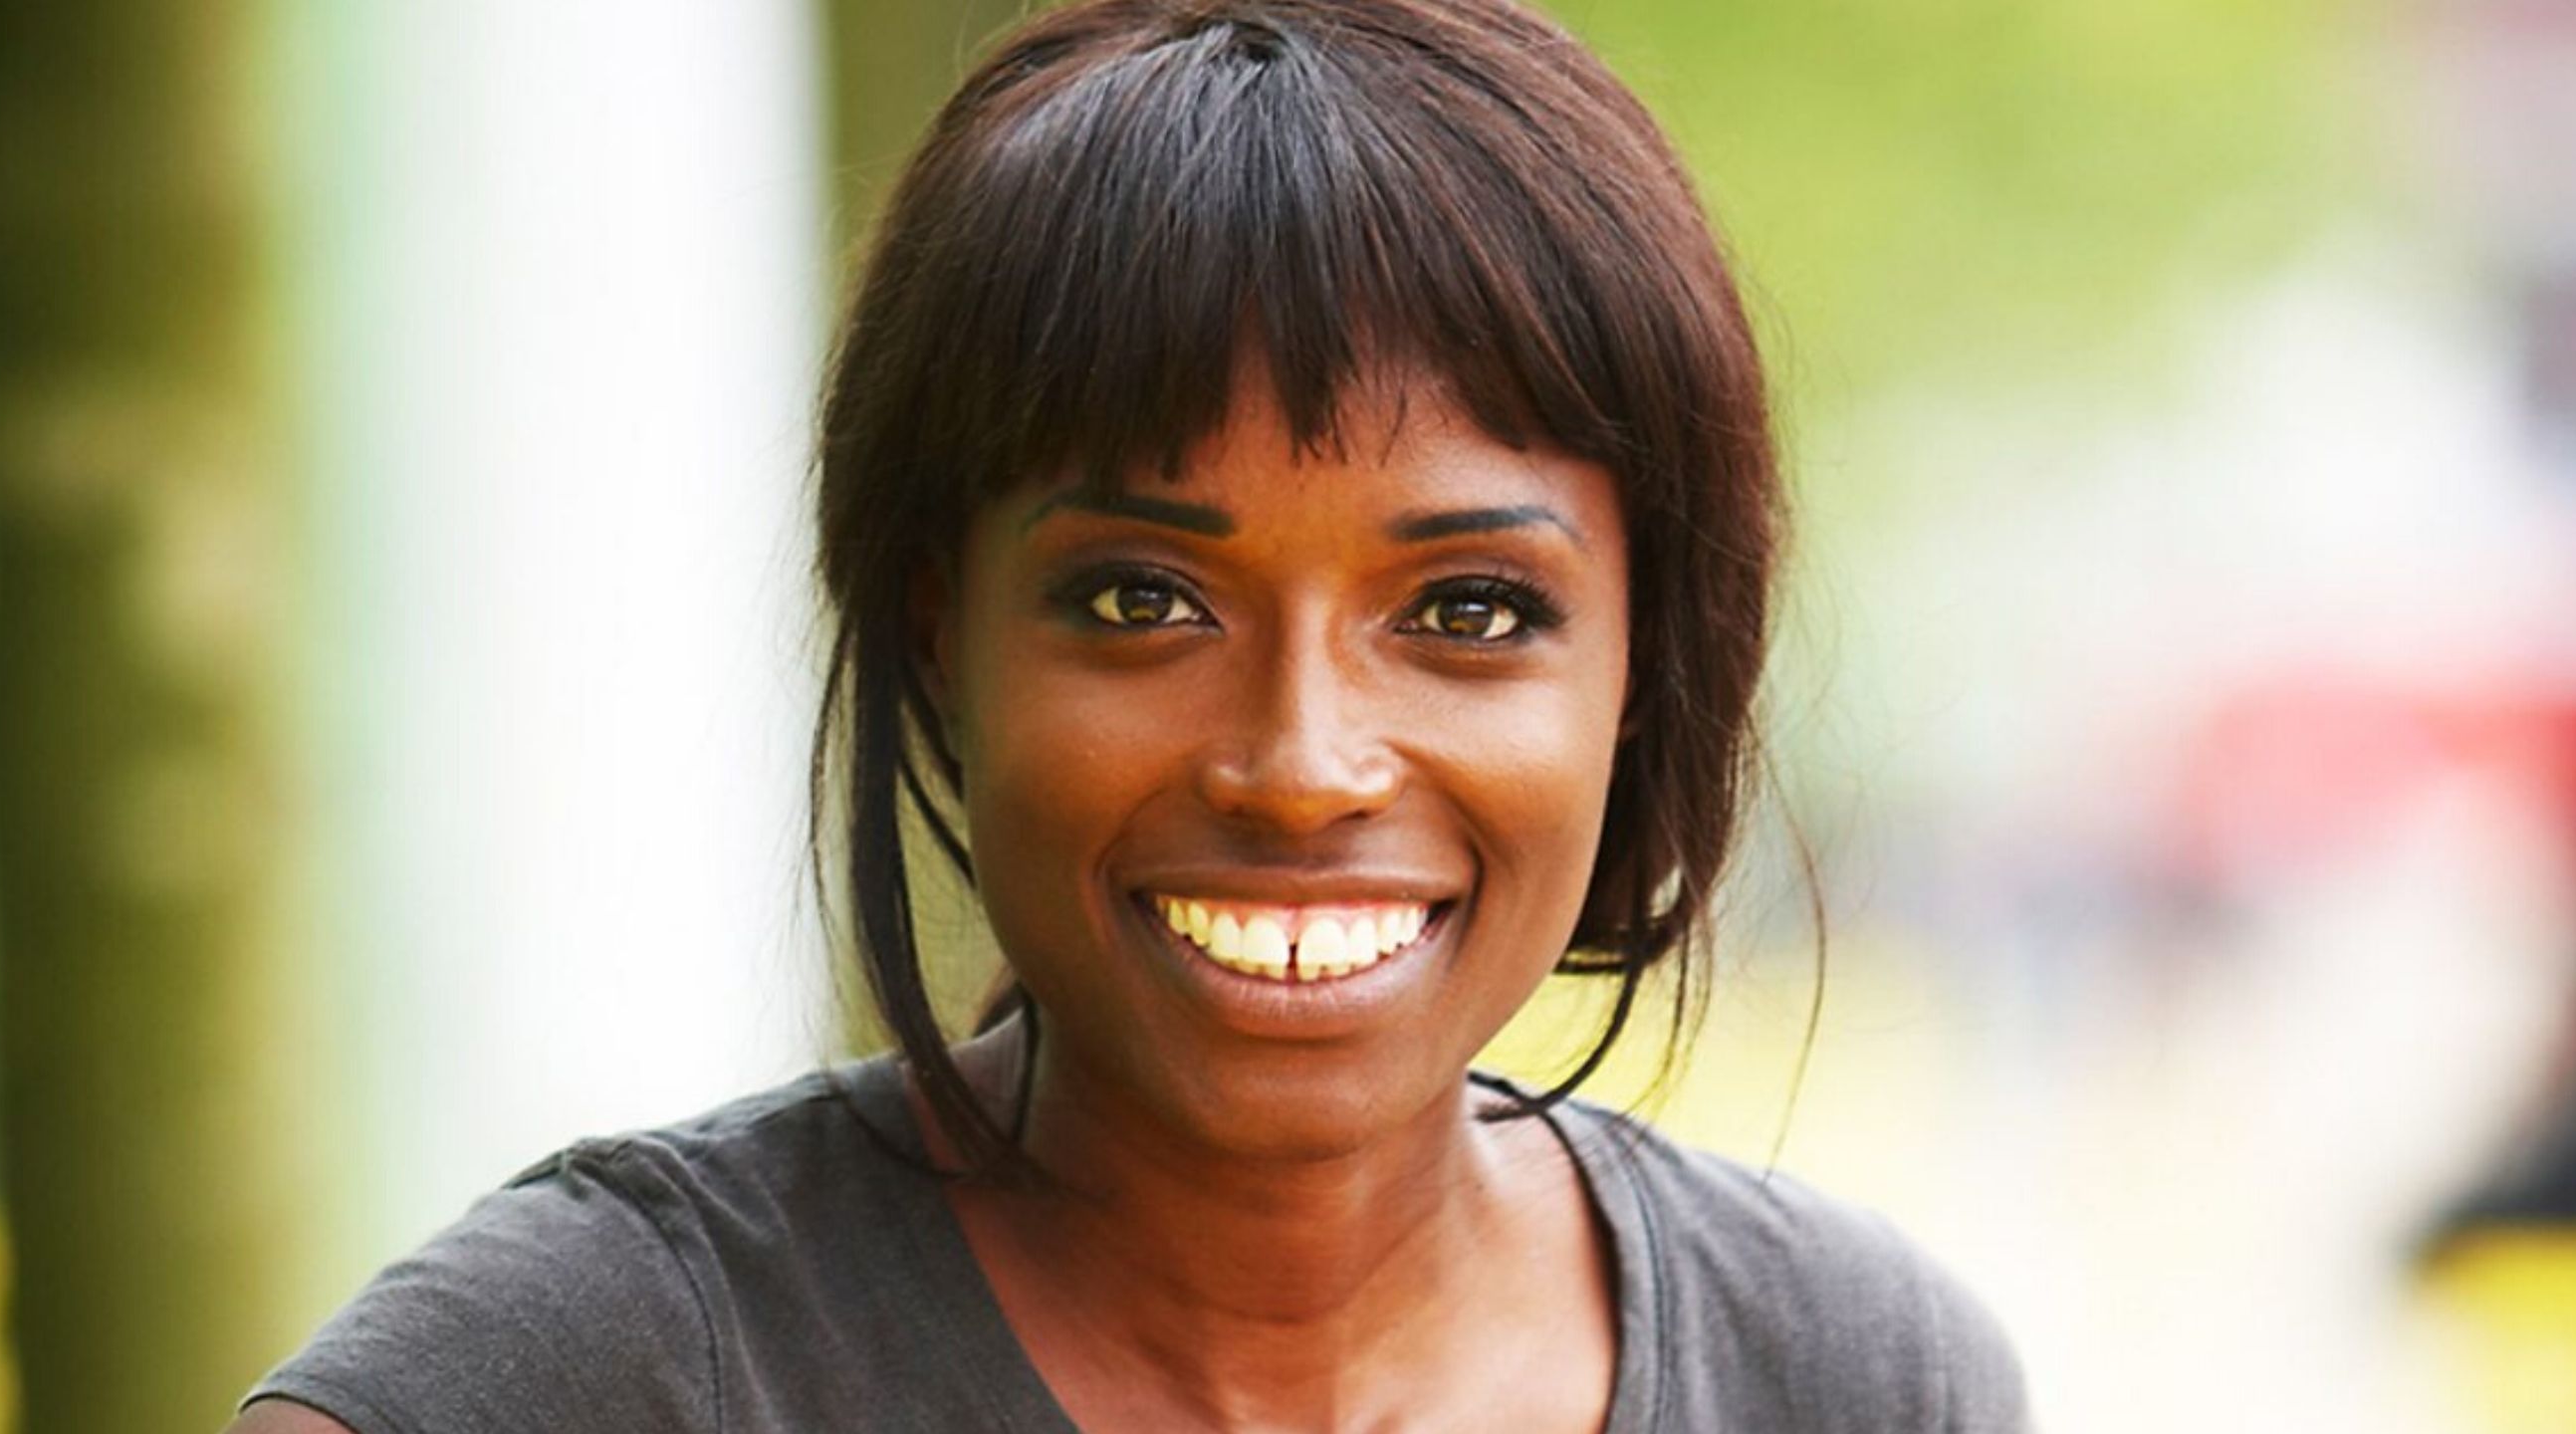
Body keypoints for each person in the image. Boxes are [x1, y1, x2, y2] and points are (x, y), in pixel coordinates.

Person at [230, 0, 2028, 1429]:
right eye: (1140, 600)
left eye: (1470, 611)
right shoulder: (594, 1379)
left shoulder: (1861, 1381)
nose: (1303, 766)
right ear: (941, 635)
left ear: (1644, 670)